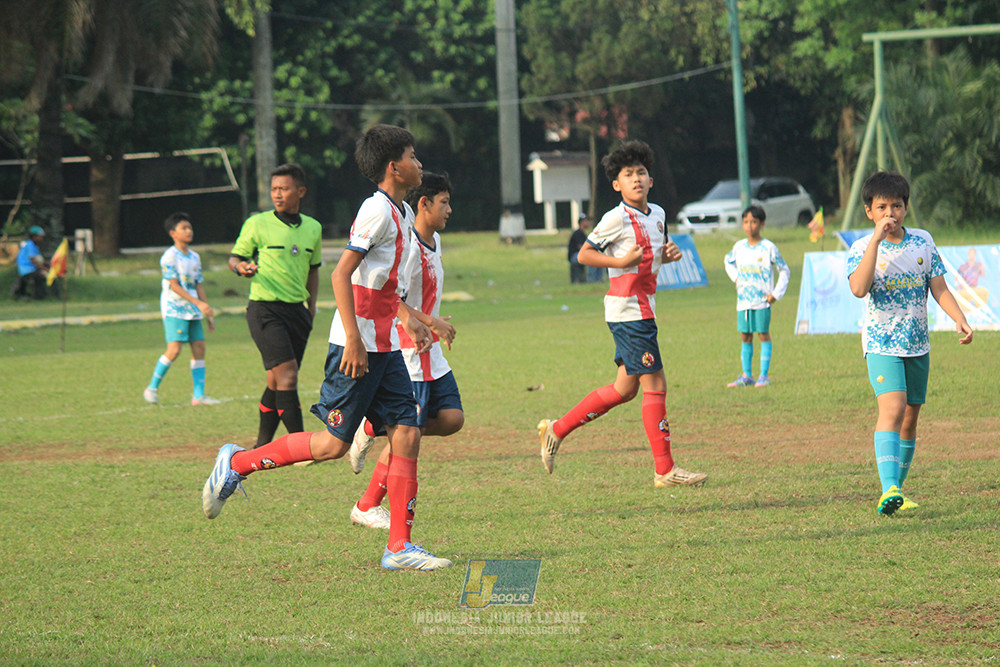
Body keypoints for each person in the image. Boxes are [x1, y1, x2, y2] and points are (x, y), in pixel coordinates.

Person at [202, 125, 453, 571]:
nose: (420, 163)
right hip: (357, 346)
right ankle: (237, 461)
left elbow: (382, 287)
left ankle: (399, 547)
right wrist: (354, 338)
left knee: (408, 433)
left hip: (386, 347)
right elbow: (342, 276)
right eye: (414, 156)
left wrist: (412, 321)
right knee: (331, 446)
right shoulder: (376, 211)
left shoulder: (396, 213)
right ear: (394, 167)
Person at [537, 140, 708, 488]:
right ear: (616, 184)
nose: (636, 179)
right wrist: (618, 262)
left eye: (641, 172)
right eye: (628, 175)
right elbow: (584, 255)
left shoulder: (657, 214)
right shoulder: (615, 218)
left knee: (624, 389)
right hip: (627, 311)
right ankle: (665, 471)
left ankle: (557, 429)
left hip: (644, 310)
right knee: (656, 383)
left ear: (651, 179)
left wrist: (670, 253)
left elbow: (656, 252)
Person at [847, 171, 973, 516]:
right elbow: (858, 288)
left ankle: (898, 491)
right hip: (881, 344)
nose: (891, 213)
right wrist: (875, 242)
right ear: (869, 211)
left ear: (906, 208)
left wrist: (958, 317)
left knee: (911, 416)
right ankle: (887, 487)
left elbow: (939, 287)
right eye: (882, 206)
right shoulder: (861, 247)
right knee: (892, 409)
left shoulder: (923, 242)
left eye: (898, 206)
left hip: (917, 343)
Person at [347, 171, 464, 530]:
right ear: (423, 204)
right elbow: (392, 298)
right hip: (407, 350)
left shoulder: (436, 241)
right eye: (443, 202)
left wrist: (431, 319)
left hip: (431, 353)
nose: (449, 209)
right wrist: (428, 322)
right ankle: (367, 503)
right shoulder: (409, 244)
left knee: (451, 419)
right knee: (407, 433)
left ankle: (373, 427)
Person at [229, 163, 323, 447]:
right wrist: (241, 267)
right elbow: (234, 258)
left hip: (298, 312)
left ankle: (261, 445)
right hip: (265, 309)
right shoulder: (257, 224)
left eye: (284, 188)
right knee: (289, 376)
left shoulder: (313, 228)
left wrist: (311, 307)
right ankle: (300, 446)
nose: (277, 194)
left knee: (276, 379)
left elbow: (313, 270)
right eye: (274, 189)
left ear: (300, 191)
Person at [142, 212, 219, 406]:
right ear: (173, 233)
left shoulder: (194, 257)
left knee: (199, 348)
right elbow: (174, 286)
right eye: (184, 228)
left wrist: (206, 310)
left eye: (189, 228)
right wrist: (198, 303)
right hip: (175, 309)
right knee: (174, 350)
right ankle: (151, 388)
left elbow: (198, 284)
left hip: (193, 309)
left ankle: (198, 396)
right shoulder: (169, 257)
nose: (188, 231)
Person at [723, 205, 790, 388]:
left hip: (762, 301)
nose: (749, 226)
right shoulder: (739, 247)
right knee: (745, 336)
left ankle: (764, 375)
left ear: (762, 224)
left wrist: (775, 294)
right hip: (744, 301)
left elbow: (784, 270)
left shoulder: (768, 248)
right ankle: (746, 376)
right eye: (746, 222)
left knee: (762, 334)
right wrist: (736, 278)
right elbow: (728, 262)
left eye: (753, 222)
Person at [12, 225, 52, 300]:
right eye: (40, 236)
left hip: (31, 269)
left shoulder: (34, 246)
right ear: (34, 237)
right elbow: (34, 261)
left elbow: (40, 260)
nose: (42, 238)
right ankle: (39, 297)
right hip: (27, 270)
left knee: (41, 276)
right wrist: (45, 269)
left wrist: (49, 264)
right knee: (41, 276)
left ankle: (40, 296)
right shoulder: (30, 245)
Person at [568, 215, 590, 283]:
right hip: (575, 256)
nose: (588, 223)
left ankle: (597, 279)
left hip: (580, 255)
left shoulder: (583, 234)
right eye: (587, 221)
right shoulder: (577, 233)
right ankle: (592, 279)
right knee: (593, 259)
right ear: (582, 222)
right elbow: (581, 247)